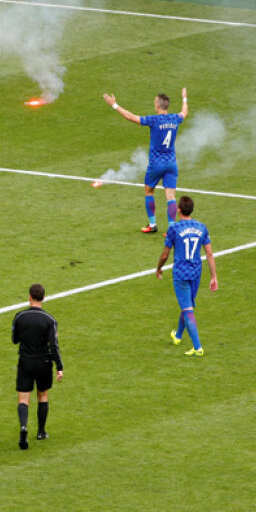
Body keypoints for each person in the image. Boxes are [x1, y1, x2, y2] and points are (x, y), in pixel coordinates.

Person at [102, 89, 189, 233]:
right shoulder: (175, 118)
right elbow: (185, 112)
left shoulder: (154, 120)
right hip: (172, 164)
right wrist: (184, 98)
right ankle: (172, 228)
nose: (154, 105)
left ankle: (153, 224)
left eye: (155, 103)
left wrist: (114, 105)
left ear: (159, 106)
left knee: (149, 191)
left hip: (156, 164)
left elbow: (131, 117)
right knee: (171, 197)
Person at [156, 196, 218, 356]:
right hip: (196, 272)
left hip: (181, 274)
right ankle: (178, 336)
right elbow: (209, 253)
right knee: (187, 305)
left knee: (188, 309)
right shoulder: (202, 227)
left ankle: (197, 348)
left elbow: (164, 255)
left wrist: (159, 268)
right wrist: (214, 277)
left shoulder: (174, 229)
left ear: (178, 209)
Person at [12, 283, 63, 450]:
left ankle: (23, 428)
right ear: (44, 297)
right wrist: (59, 366)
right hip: (43, 363)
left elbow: (14, 340)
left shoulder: (19, 317)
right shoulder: (49, 320)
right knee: (42, 395)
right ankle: (41, 431)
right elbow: (54, 345)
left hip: (25, 361)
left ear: (29, 296)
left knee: (23, 398)